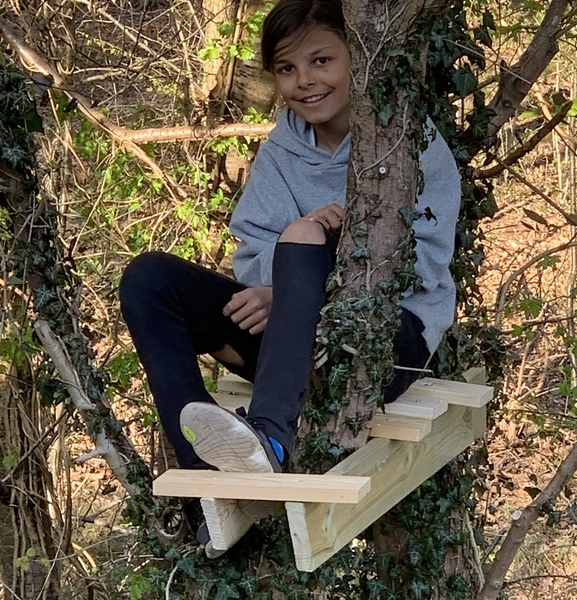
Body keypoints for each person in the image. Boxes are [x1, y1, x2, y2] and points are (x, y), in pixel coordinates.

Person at [119, 0, 461, 480]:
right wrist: (284, 289)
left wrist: (308, 275)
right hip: (288, 343)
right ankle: (200, 456)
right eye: (286, 68)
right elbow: (253, 251)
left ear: (357, 57)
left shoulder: (411, 145)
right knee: (149, 278)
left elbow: (419, 268)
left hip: (386, 342)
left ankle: (271, 439)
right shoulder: (282, 151)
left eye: (321, 60)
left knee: (302, 233)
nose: (304, 80)